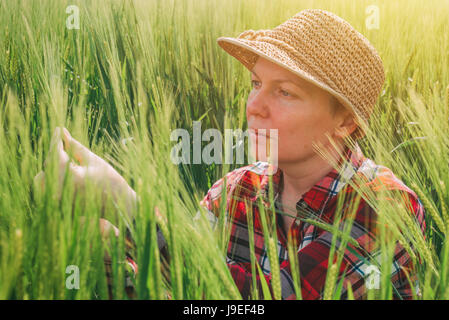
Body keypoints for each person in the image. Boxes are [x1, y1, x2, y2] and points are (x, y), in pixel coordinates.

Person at [35, 9, 426, 299]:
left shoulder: (383, 206)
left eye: (285, 92)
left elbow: (271, 297)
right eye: (256, 83)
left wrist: (129, 207)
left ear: (345, 121)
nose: (254, 104)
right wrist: (107, 251)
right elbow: (183, 289)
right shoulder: (235, 191)